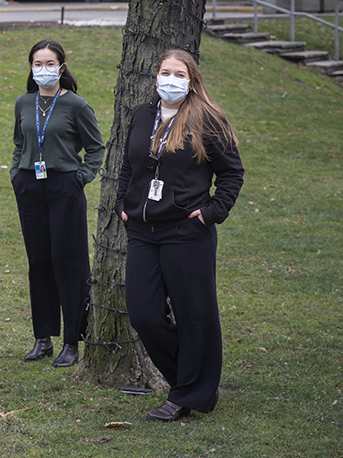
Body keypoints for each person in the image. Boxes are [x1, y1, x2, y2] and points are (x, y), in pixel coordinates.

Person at [116, 49, 243, 422]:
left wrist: (211, 213)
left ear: (192, 81)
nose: (170, 80)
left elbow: (232, 173)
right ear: (155, 77)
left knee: (194, 314)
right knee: (144, 314)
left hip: (186, 232)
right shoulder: (142, 115)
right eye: (164, 72)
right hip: (142, 230)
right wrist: (125, 203)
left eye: (179, 73)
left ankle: (186, 394)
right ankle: (194, 383)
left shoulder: (207, 119)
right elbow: (128, 165)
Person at [10, 39, 105, 368]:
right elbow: (19, 142)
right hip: (30, 188)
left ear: (62, 67)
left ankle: (71, 340)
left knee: (69, 262)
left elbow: (96, 149)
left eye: (50, 64)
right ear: (31, 67)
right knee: (39, 262)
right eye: (38, 64)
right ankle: (42, 338)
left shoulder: (76, 105)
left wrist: (80, 178)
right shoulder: (24, 102)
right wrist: (16, 174)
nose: (44, 69)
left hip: (65, 187)